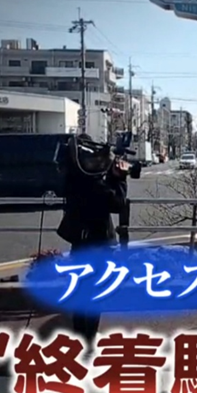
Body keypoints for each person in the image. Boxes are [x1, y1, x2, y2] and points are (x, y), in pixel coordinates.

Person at [56, 134, 129, 341]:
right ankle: (88, 339)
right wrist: (119, 179)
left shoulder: (74, 179)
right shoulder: (96, 184)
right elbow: (117, 203)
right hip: (99, 242)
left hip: (80, 242)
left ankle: (80, 337)